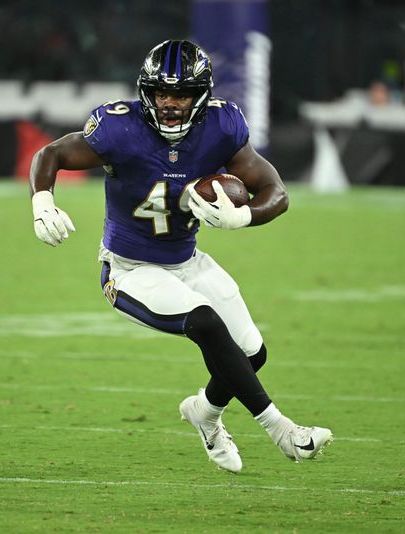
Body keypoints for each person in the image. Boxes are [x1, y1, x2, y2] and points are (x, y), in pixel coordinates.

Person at [29, 40, 332, 473]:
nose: (170, 104)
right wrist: (43, 201)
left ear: (202, 95)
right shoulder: (119, 128)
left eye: (182, 94)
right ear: (145, 92)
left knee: (251, 354)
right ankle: (282, 429)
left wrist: (243, 217)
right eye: (160, 93)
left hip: (188, 261)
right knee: (206, 321)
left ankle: (205, 414)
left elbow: (276, 192)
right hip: (129, 270)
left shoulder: (222, 127)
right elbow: (52, 153)